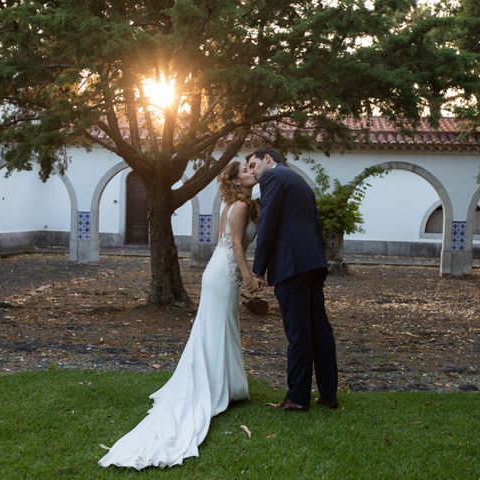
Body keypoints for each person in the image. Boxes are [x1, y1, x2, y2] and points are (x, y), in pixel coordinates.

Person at [98, 161, 260, 469]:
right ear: (237, 181)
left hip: (219, 271)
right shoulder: (238, 207)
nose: (252, 173)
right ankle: (215, 386)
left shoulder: (238, 204)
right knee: (218, 328)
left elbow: (225, 242)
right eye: (247, 171)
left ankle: (225, 383)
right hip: (224, 272)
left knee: (220, 328)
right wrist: (248, 276)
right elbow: (236, 244)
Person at [246, 147, 338, 412]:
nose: (253, 172)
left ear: (268, 159)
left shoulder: (273, 178)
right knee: (319, 329)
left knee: (298, 332)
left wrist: (258, 270)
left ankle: (297, 397)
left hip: (292, 264)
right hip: (312, 262)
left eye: (254, 165)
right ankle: (328, 393)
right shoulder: (296, 179)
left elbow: (268, 223)